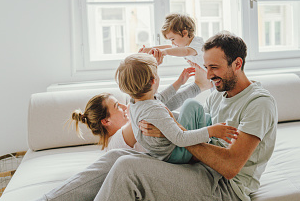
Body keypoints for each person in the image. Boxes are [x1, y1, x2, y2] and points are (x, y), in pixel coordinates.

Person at [0, 32, 278, 201]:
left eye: (215, 68)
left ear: (238, 64)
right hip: (197, 168)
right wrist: (163, 54)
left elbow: (232, 166)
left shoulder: (258, 103)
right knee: (112, 161)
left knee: (128, 168)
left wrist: (172, 132)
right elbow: (187, 71)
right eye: (207, 67)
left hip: (220, 193)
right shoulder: (220, 90)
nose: (209, 74)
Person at [115, 53, 238, 163]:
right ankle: (208, 141)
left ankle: (213, 126)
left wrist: (179, 82)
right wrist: (212, 131)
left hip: (163, 153)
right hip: (175, 153)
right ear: (153, 80)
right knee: (191, 105)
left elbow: (161, 97)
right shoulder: (154, 111)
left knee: (203, 117)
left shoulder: (136, 103)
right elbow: (180, 138)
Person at [70, 66, 212, 153]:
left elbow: (157, 102)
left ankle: (201, 86)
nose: (125, 106)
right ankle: (200, 87)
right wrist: (146, 72)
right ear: (106, 121)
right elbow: (152, 102)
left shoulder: (133, 121)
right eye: (117, 106)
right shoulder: (116, 143)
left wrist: (192, 85)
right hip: (183, 147)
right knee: (194, 107)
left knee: (200, 110)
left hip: (186, 136)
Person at [139, 13, 205, 70]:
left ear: (184, 33)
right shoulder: (185, 44)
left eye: (173, 39)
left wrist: (165, 52)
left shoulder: (197, 44)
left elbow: (186, 52)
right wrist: (151, 49)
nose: (172, 43)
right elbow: (170, 47)